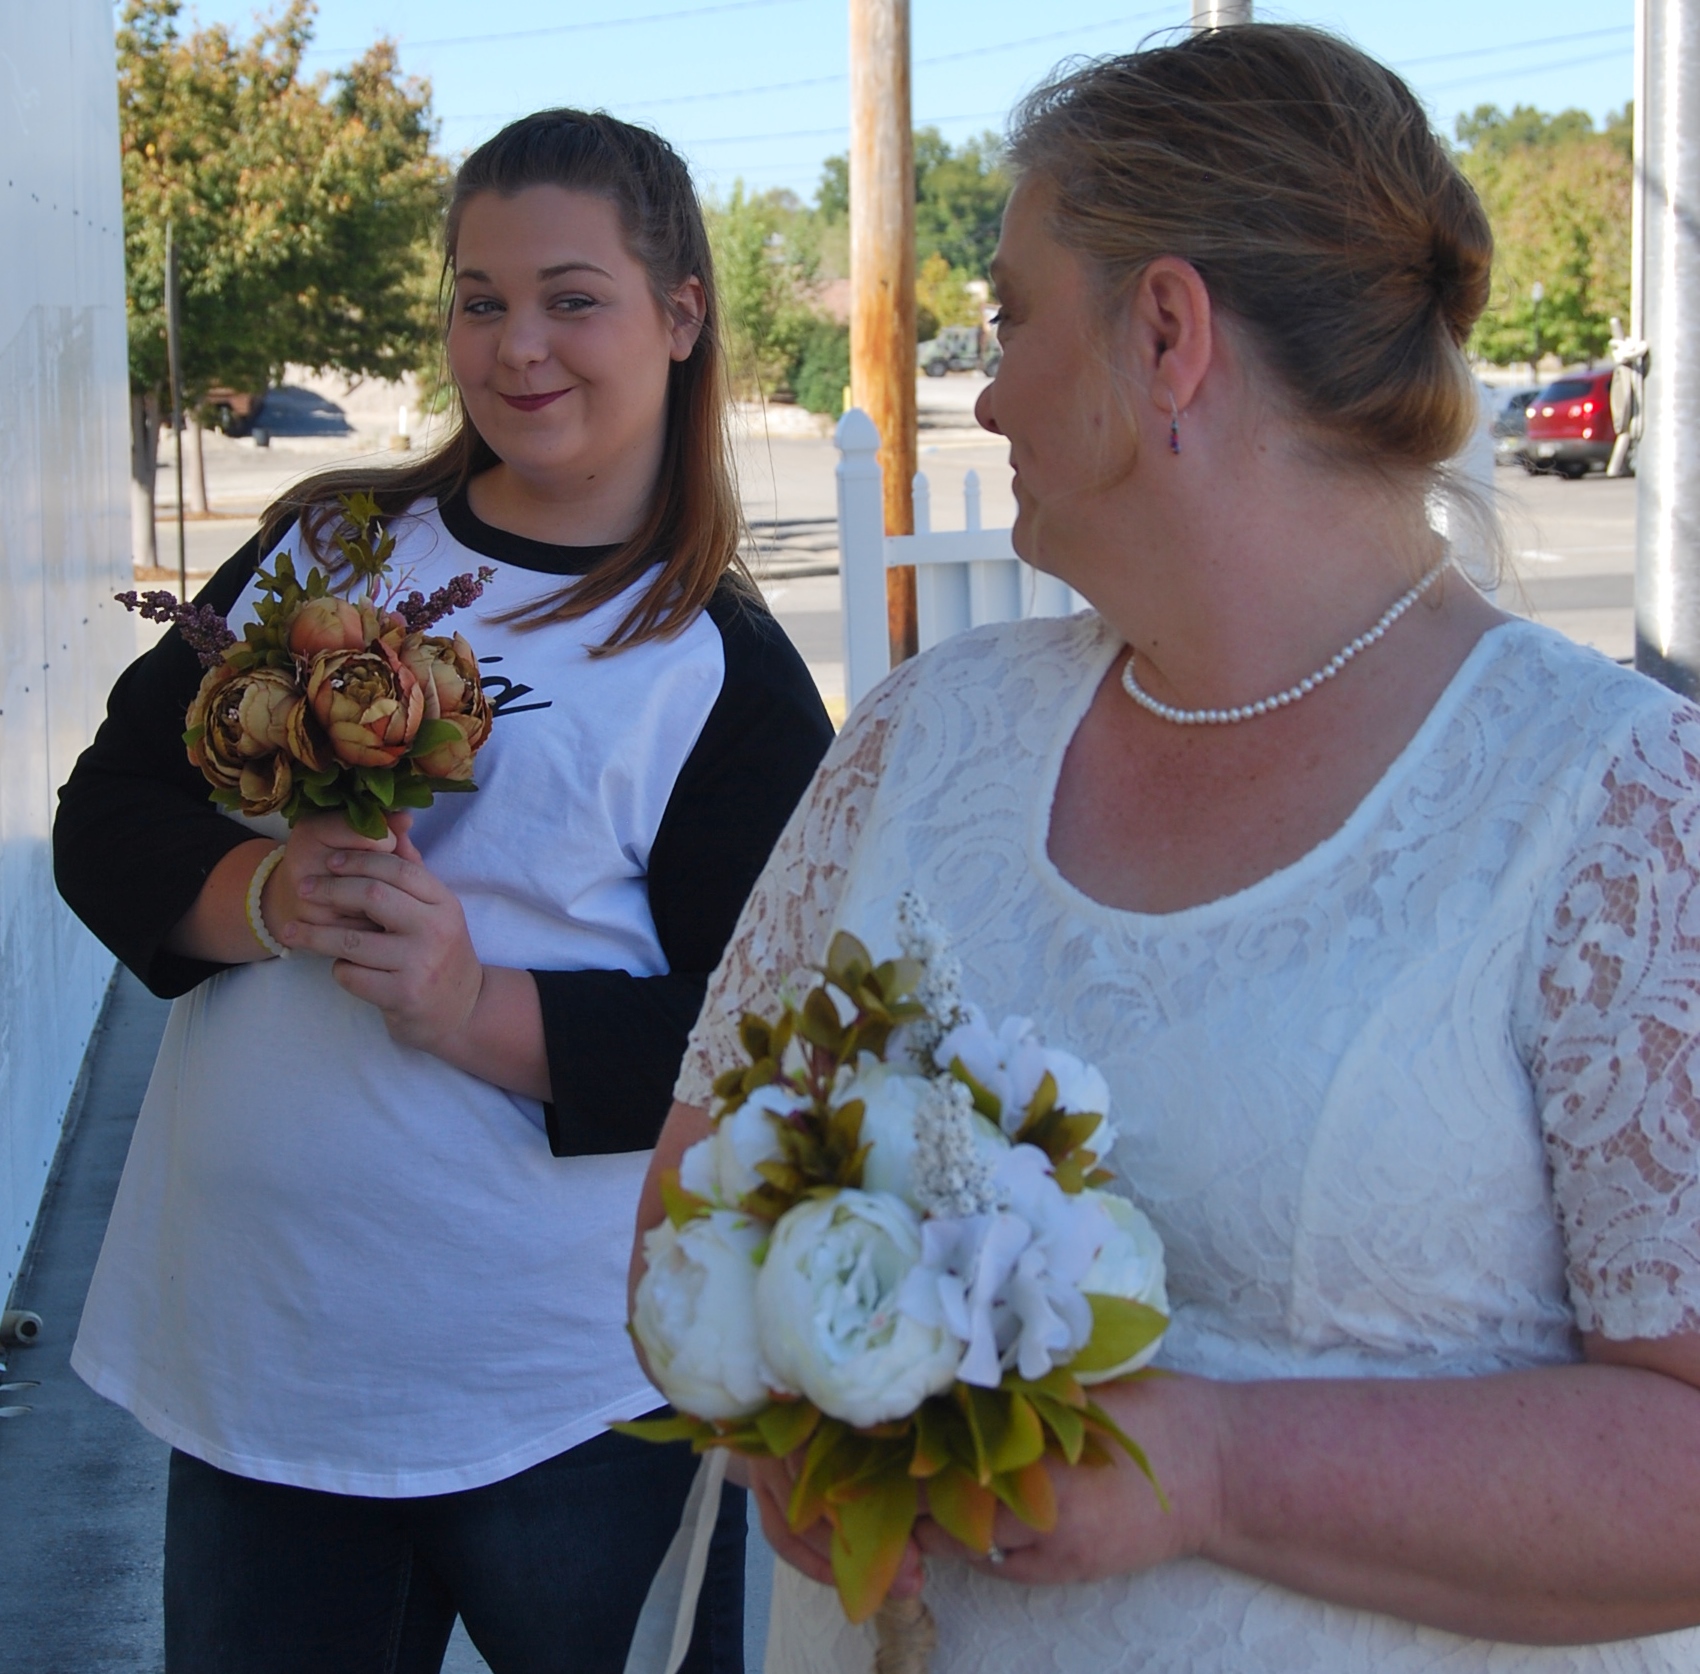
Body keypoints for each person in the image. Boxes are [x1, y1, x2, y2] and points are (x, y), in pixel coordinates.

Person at [633, 26, 1700, 1673]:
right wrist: (791, 1408)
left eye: (1012, 317)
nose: (985, 391)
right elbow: (690, 1201)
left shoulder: (1613, 806)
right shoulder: (924, 737)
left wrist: (1201, 1468)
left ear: (1165, 331)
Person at [56, 109, 832, 1674]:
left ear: (682, 315)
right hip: (268, 1363)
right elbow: (107, 815)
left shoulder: (718, 668)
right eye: (481, 300)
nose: (517, 345)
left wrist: (476, 1004)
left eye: (571, 298)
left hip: (571, 1393)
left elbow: (771, 1046)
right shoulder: (326, 555)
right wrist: (263, 894)